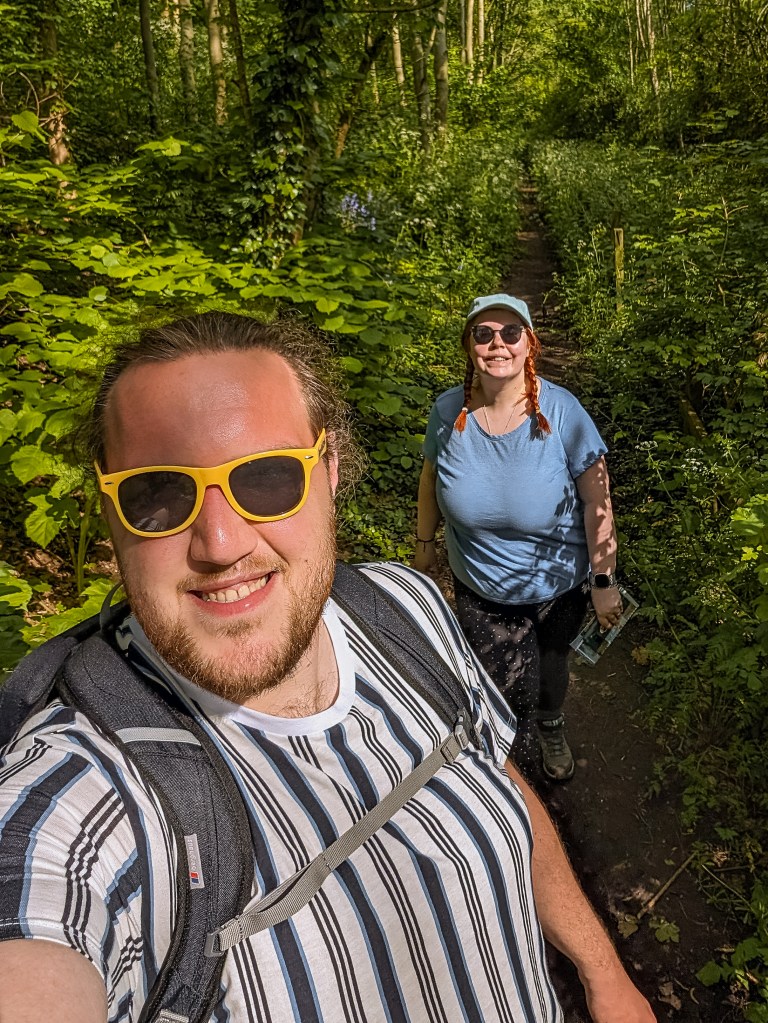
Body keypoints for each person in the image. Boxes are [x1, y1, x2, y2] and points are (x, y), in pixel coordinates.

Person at [0, 311, 654, 1023]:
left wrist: (603, 971)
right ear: (108, 508)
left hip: (551, 587)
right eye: (156, 495)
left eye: (268, 478)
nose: (220, 542)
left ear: (330, 468)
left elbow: (494, 783)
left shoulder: (405, 610)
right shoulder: (79, 804)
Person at [413, 294, 623, 782]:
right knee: (502, 682)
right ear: (469, 345)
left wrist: (603, 580)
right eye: (483, 334)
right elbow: (429, 480)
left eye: (511, 333)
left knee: (551, 666)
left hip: (557, 585)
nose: (498, 344)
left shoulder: (563, 412)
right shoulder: (447, 412)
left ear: (530, 343)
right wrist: (424, 545)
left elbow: (598, 500)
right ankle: (507, 761)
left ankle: (550, 725)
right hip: (481, 585)